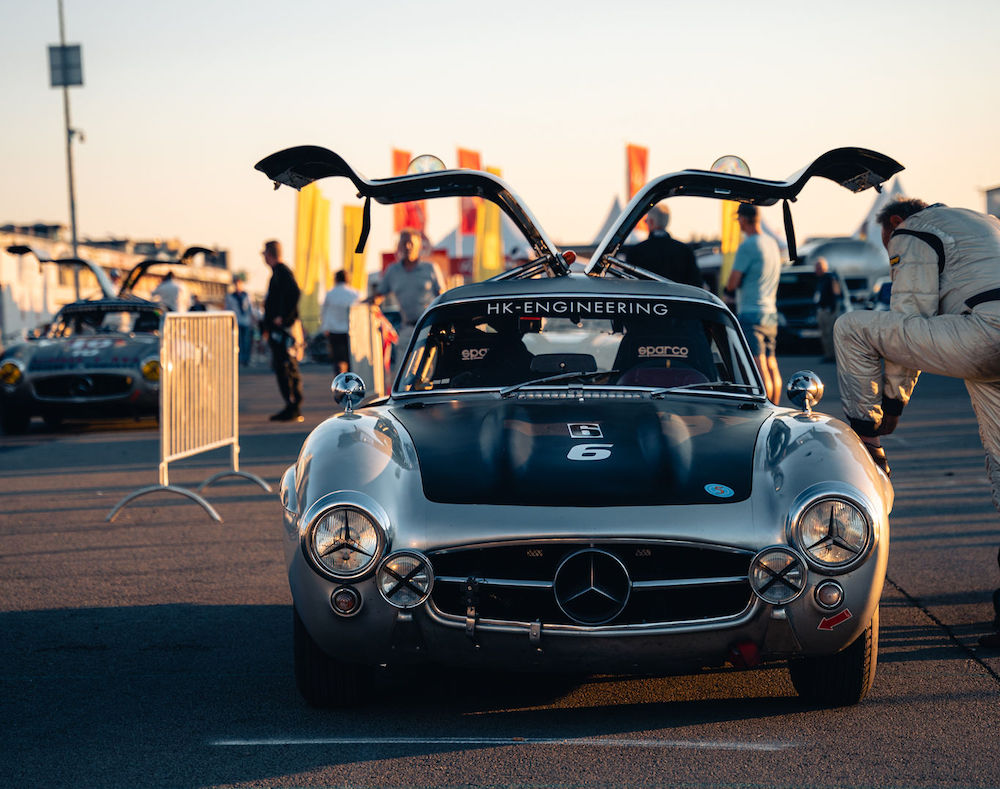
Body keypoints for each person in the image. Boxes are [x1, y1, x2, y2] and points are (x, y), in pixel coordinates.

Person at [832, 198, 1000, 648]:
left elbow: (910, 315)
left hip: (986, 335)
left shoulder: (913, 230)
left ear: (893, 223)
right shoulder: (984, 222)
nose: (892, 258)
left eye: (888, 248)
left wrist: (890, 406)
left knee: (851, 327)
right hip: (988, 331)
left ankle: (865, 437)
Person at [725, 203, 782, 403]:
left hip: (751, 310)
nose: (738, 222)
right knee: (772, 362)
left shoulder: (748, 245)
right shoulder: (771, 243)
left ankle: (767, 406)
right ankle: (776, 406)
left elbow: (733, 280)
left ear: (744, 219)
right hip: (770, 312)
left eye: (739, 218)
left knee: (759, 365)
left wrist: (727, 291)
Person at [373, 228, 446, 371]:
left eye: (411, 243)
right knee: (403, 378)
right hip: (407, 330)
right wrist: (360, 306)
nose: (407, 246)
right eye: (404, 243)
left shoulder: (430, 268)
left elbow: (442, 296)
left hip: (429, 329)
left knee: (429, 376)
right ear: (398, 246)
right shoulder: (393, 271)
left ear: (419, 246)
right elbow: (378, 296)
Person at [261, 240, 304, 422]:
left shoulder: (281, 272)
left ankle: (293, 406)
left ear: (269, 254)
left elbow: (295, 293)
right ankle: (291, 405)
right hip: (281, 329)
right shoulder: (279, 272)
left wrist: (283, 318)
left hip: (284, 331)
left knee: (286, 366)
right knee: (284, 366)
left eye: (264, 254)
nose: (263, 257)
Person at [625, 204, 703, 287]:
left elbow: (628, 285)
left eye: (646, 220)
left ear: (651, 221)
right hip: (677, 298)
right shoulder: (685, 251)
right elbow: (696, 285)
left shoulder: (636, 252)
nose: (645, 222)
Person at [320, 270, 360, 374]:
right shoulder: (354, 294)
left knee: (337, 360)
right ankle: (352, 384)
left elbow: (324, 312)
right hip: (350, 331)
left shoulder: (330, 294)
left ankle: (339, 384)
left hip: (334, 331)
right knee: (351, 360)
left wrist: (325, 328)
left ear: (336, 279)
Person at [813, 256, 842, 361]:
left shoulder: (831, 278)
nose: (815, 270)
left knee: (830, 334)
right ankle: (827, 355)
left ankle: (833, 356)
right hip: (821, 310)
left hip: (829, 311)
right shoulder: (820, 280)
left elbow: (836, 294)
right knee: (824, 334)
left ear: (823, 267)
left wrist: (832, 309)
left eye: (818, 268)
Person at [224, 273, 254, 366]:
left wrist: (253, 318)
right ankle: (240, 359)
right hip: (237, 321)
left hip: (246, 321)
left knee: (247, 341)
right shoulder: (230, 297)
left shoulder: (247, 295)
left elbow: (250, 309)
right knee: (239, 341)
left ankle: (246, 359)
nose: (237, 286)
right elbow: (227, 309)